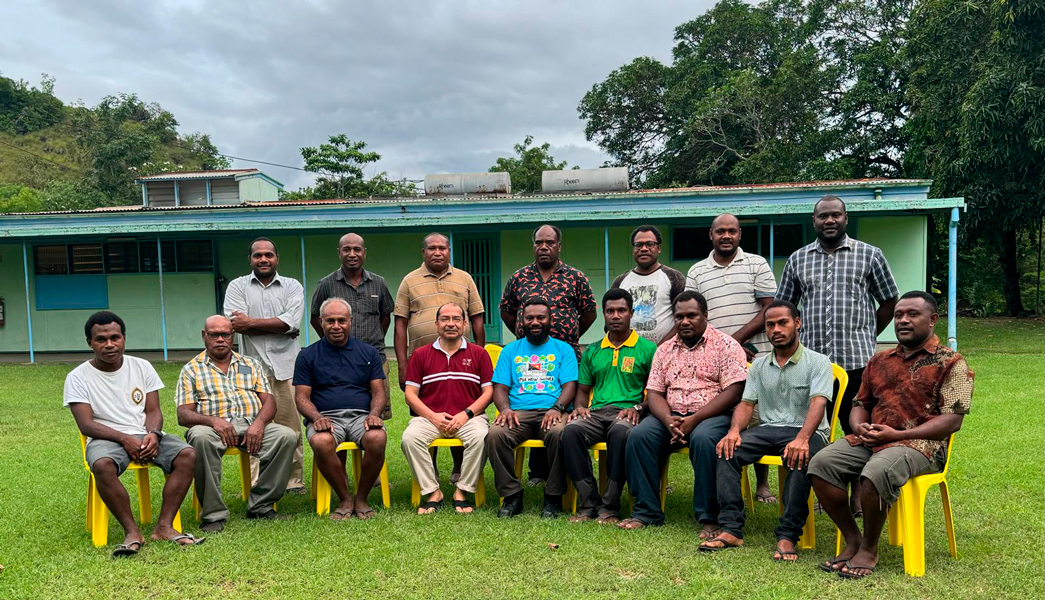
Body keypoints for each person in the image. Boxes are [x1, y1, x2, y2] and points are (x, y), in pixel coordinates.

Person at [808, 291, 972, 579]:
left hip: (921, 446)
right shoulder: (879, 360)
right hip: (874, 439)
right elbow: (860, 404)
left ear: (932, 319)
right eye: (898, 315)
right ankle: (853, 539)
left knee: (876, 471)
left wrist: (895, 435)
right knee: (821, 463)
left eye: (912, 314)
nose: (903, 320)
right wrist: (859, 426)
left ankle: (869, 548)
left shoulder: (951, 362)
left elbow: (952, 421)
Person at [699, 300, 833, 561]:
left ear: (797, 323)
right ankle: (731, 528)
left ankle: (788, 536)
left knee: (799, 456)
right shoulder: (759, 366)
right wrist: (734, 431)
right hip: (769, 429)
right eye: (770, 325)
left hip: (808, 431)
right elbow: (746, 404)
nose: (776, 330)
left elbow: (818, 403)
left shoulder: (818, 362)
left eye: (783, 323)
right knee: (727, 450)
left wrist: (803, 438)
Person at [64, 311, 204, 556]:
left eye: (115, 337)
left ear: (124, 338)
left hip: (144, 434)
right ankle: (132, 532)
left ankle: (164, 527)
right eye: (101, 339)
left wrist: (154, 434)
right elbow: (86, 425)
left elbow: (153, 411)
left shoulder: (142, 366)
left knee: (187, 455)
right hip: (105, 438)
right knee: (102, 465)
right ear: (90, 343)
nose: (109, 344)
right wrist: (124, 439)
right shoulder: (77, 377)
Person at [619, 291, 747, 535]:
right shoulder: (664, 350)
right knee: (639, 436)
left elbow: (734, 391)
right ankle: (646, 511)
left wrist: (695, 420)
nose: (685, 321)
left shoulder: (726, 345)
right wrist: (667, 420)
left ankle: (710, 516)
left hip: (712, 415)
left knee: (704, 439)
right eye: (679, 317)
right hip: (671, 415)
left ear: (705, 315)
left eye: (692, 316)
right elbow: (654, 392)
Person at [776, 196, 899, 439]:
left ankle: (856, 466)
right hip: (810, 366)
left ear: (846, 218)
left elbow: (889, 301)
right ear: (814, 220)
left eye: (836, 215)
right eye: (823, 216)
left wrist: (868, 333)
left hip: (857, 364)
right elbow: (784, 308)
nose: (830, 220)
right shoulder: (797, 259)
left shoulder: (870, 255)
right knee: (808, 432)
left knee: (860, 431)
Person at [685, 213, 778, 505]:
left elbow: (769, 308)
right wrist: (724, 347)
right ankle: (724, 479)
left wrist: (735, 341)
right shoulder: (697, 271)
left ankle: (762, 484)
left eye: (732, 231)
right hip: (713, 360)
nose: (726, 236)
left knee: (759, 417)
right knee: (722, 412)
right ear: (710, 235)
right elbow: (693, 313)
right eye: (720, 231)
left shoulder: (756, 264)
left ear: (739, 235)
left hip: (756, 355)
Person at [175, 315, 298, 533]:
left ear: (233, 336)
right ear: (204, 336)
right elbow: (183, 414)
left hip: (251, 423)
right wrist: (214, 421)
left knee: (286, 436)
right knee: (200, 438)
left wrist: (259, 424)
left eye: (225, 334)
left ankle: (261, 505)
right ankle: (213, 515)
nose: (220, 339)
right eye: (214, 335)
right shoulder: (191, 369)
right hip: (212, 428)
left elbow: (269, 401)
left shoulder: (250, 364)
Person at [500, 224, 597, 484]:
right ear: (533, 245)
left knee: (562, 410)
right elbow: (507, 310)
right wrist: (523, 335)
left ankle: (571, 471)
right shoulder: (519, 277)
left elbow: (589, 312)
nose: (544, 247)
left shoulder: (575, 277)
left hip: (566, 355)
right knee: (533, 398)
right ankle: (538, 472)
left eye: (550, 242)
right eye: (539, 242)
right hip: (528, 356)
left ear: (559, 246)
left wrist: (570, 335)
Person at [394, 232, 486, 483]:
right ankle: (430, 468)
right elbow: (400, 324)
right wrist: (403, 365)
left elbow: (477, 318)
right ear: (423, 252)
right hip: (422, 364)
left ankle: (459, 467)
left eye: (442, 248)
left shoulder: (465, 279)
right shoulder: (409, 281)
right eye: (432, 248)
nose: (437, 252)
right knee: (424, 416)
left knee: (459, 408)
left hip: (461, 359)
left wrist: (477, 353)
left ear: (449, 251)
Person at [562, 289, 656, 525]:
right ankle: (588, 504)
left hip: (628, 413)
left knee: (620, 432)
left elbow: (656, 393)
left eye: (621, 310)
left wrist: (638, 407)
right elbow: (582, 391)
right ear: (603, 314)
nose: (615, 316)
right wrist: (580, 407)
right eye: (610, 311)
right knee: (570, 431)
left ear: (631, 313)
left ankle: (610, 507)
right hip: (596, 414)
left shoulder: (647, 349)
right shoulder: (593, 350)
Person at [223, 237, 307, 494]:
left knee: (291, 426)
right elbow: (235, 324)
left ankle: (294, 480)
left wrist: (251, 323)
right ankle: (257, 481)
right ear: (250, 259)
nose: (263, 259)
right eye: (257, 255)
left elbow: (291, 322)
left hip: (287, 368)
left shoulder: (292, 286)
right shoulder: (237, 286)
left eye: (268, 255)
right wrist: (279, 326)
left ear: (277, 259)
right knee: (254, 426)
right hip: (251, 371)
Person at [294, 298, 388, 520]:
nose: (336, 326)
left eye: (341, 320)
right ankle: (345, 498)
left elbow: (379, 392)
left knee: (377, 438)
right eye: (330, 321)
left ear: (350, 321)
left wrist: (374, 414)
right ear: (321, 322)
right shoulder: (307, 355)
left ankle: (362, 498)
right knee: (321, 441)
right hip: (326, 417)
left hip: (361, 417)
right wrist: (316, 417)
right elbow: (302, 398)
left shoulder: (368, 352)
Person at [486, 299, 578, 518]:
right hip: (518, 413)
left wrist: (557, 408)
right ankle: (512, 495)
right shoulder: (510, 351)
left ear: (550, 320)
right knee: (495, 435)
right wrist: (505, 410)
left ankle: (553, 496)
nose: (535, 322)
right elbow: (500, 387)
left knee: (560, 433)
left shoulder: (563, 349)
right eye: (529, 318)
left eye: (540, 317)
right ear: (522, 321)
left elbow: (570, 385)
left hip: (553, 411)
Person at [401, 302, 494, 514]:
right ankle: (432, 492)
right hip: (430, 418)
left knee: (482, 437)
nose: (450, 324)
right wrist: (433, 417)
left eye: (456, 319)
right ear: (436, 323)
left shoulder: (479, 354)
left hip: (470, 418)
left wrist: (466, 414)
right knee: (410, 438)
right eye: (445, 319)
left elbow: (488, 393)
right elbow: (410, 395)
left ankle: (462, 491)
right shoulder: (420, 355)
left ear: (464, 324)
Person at [309, 232, 395, 419]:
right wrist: (332, 341)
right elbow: (315, 318)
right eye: (346, 249)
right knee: (340, 411)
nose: (352, 254)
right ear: (339, 252)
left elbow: (385, 316)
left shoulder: (379, 283)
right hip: (337, 359)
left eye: (357, 249)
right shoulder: (326, 284)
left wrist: (372, 342)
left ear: (364, 252)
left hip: (375, 357)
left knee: (377, 413)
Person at [610, 225, 686, 345]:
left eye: (650, 244)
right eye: (638, 245)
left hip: (667, 351)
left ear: (659, 248)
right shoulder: (620, 281)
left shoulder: (674, 278)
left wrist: (661, 348)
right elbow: (610, 319)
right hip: (629, 352)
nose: (644, 249)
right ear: (633, 249)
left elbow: (683, 317)